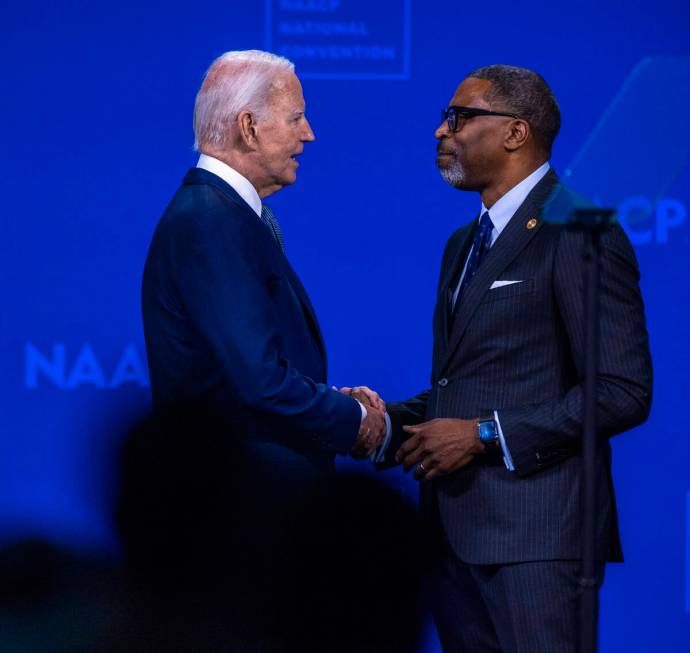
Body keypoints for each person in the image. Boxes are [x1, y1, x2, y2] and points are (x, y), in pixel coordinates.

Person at [382, 65, 653, 652]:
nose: (440, 131)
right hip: (452, 538)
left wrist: (482, 434)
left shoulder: (583, 229)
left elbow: (620, 389)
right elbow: (471, 381)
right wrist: (382, 421)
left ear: (515, 133)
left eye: (459, 117)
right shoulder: (462, 243)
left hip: (538, 544)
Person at [142, 50, 385, 478]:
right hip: (239, 502)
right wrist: (354, 419)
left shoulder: (225, 213)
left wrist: (328, 403)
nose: (309, 134)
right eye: (296, 118)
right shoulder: (210, 221)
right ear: (249, 128)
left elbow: (245, 370)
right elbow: (258, 381)